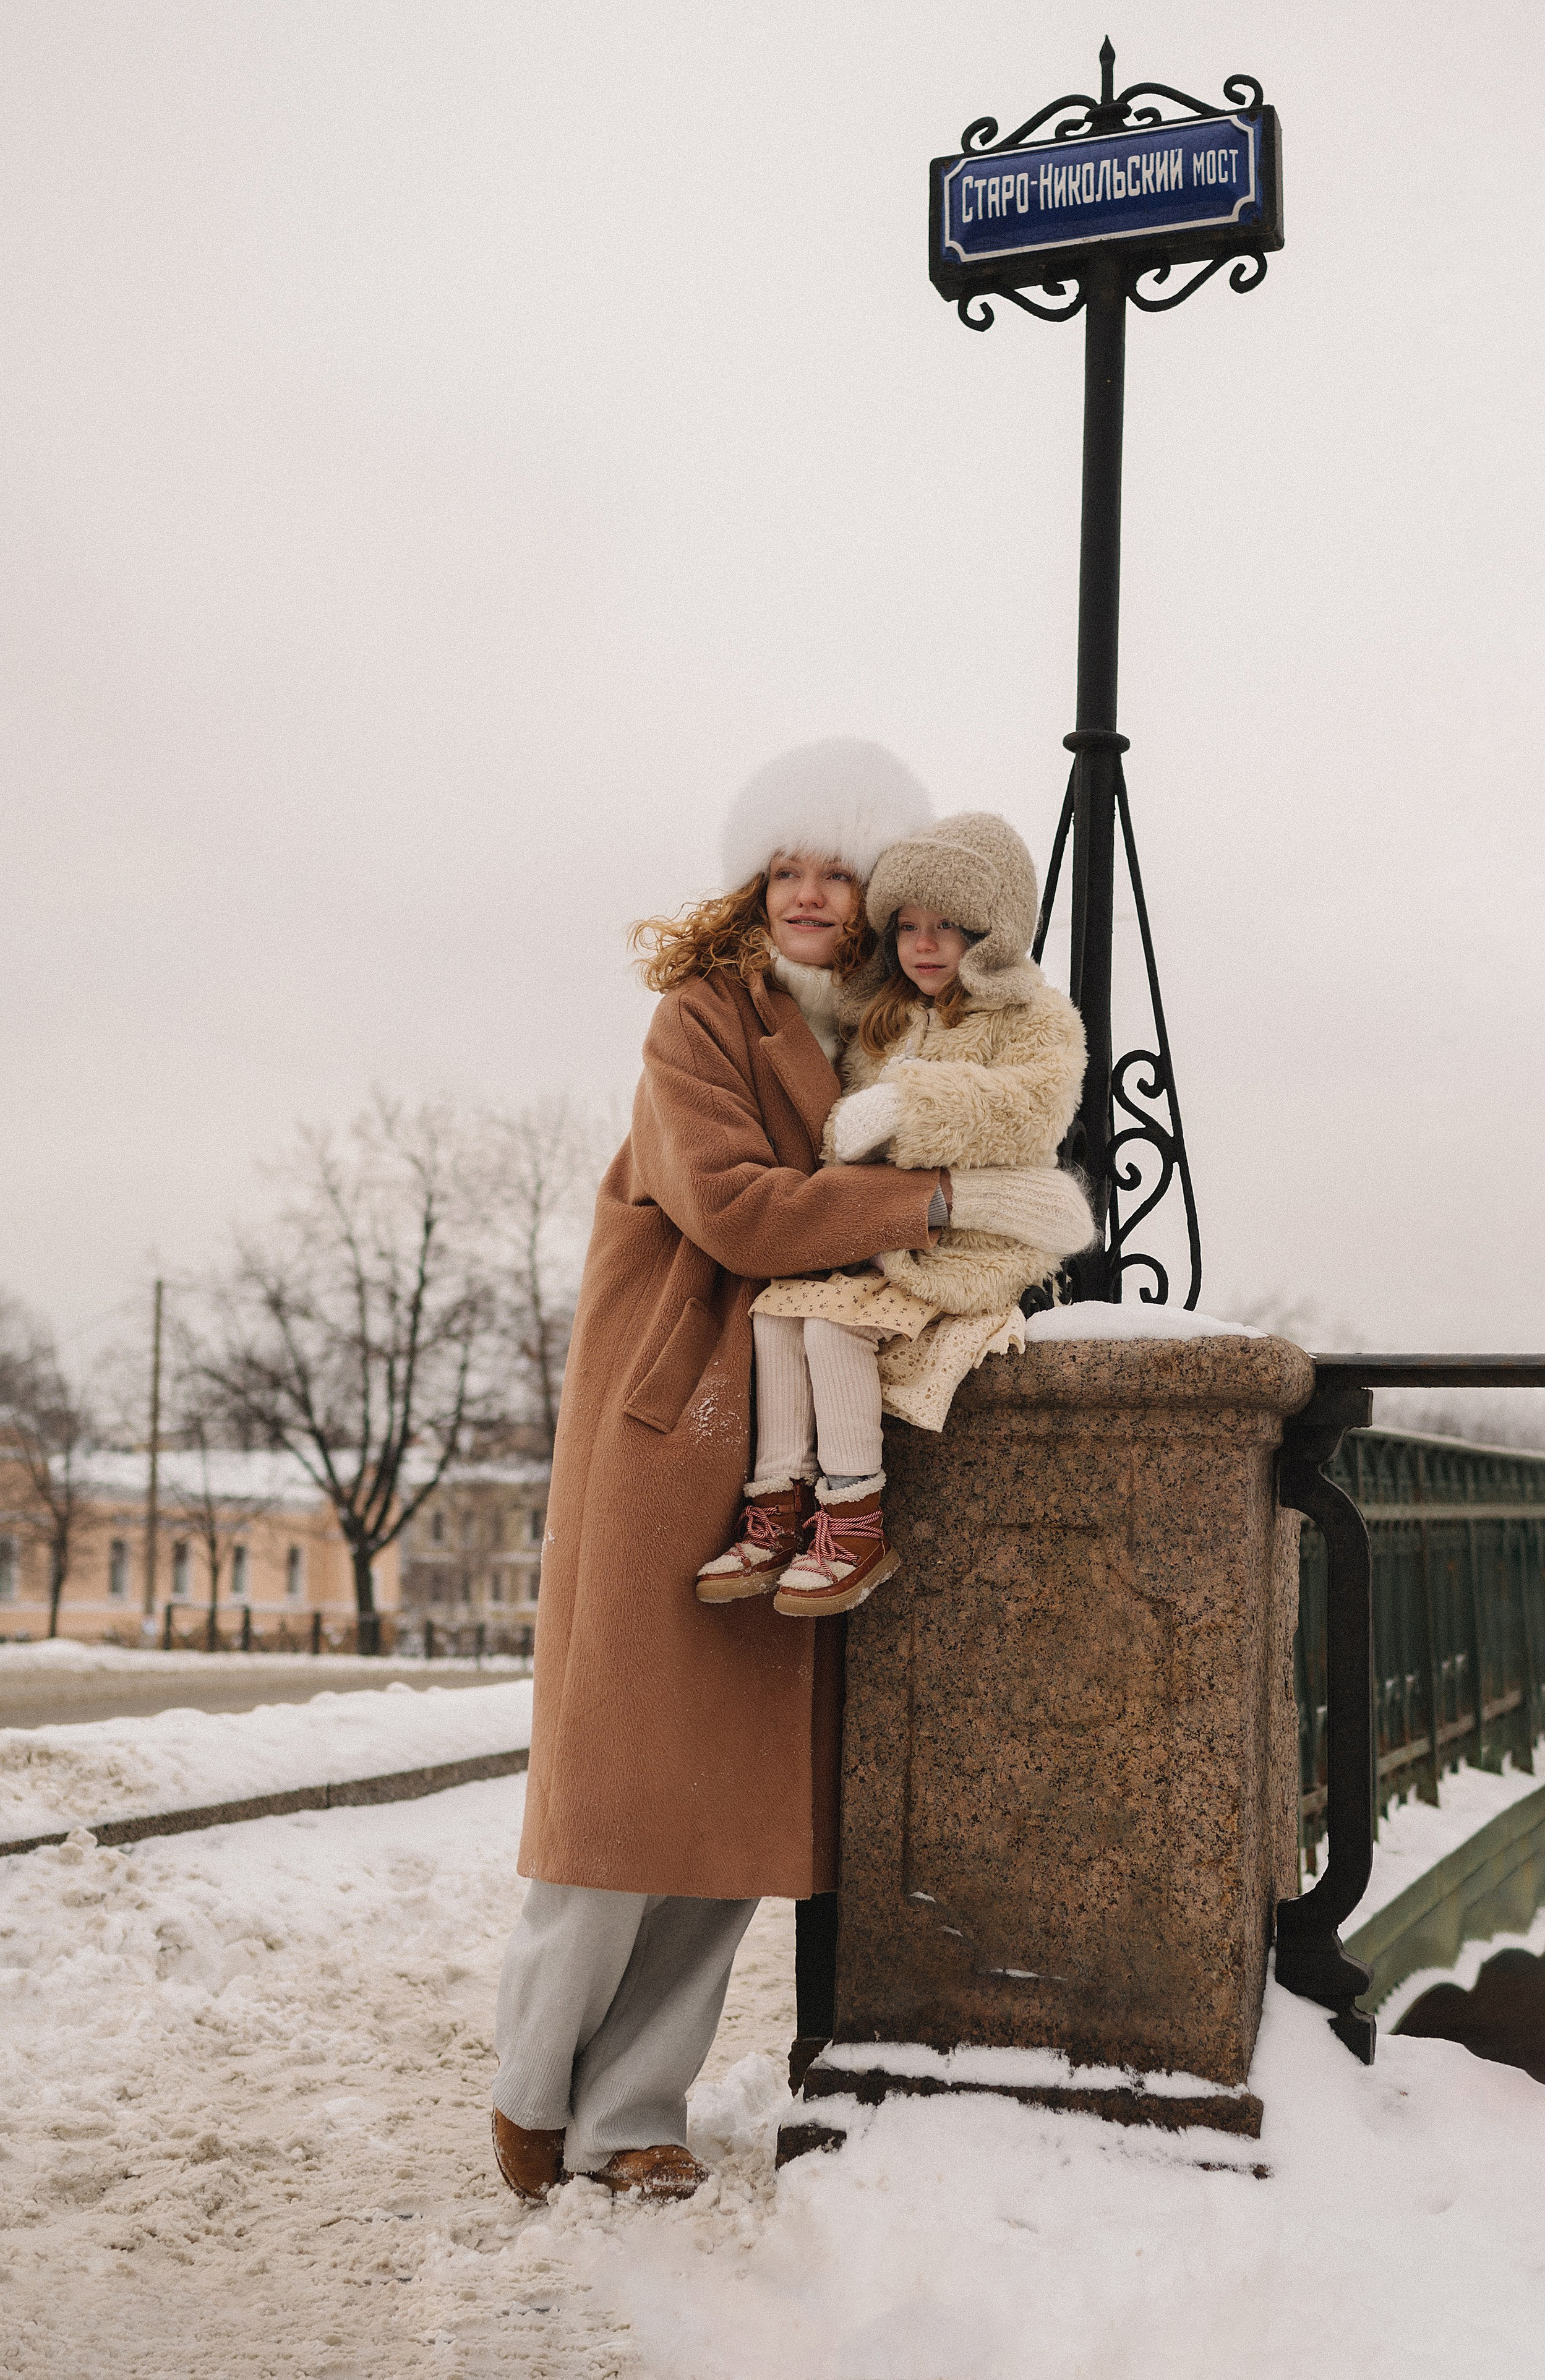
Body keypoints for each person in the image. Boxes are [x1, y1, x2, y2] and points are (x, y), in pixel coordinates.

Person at [491, 740, 960, 2206]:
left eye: (838, 872)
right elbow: (743, 1213)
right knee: (620, 1798)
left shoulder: (897, 1034)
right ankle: (533, 2085)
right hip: (671, 1434)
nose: (809, 894)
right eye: (786, 867)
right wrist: (935, 1199)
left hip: (804, 1458)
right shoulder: (698, 1020)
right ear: (755, 878)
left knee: (730, 1819)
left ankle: (631, 2113)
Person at [696, 809, 1093, 1620]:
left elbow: (1036, 1105)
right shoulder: (888, 1015)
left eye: (947, 926)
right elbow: (847, 1117)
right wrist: (861, 1120)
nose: (923, 944)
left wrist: (907, 1105)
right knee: (777, 1315)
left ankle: (854, 1517)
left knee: (830, 1329)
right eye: (908, 925)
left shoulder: (1030, 1017)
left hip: (971, 1242)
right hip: (891, 1230)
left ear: (994, 929)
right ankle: (776, 1503)